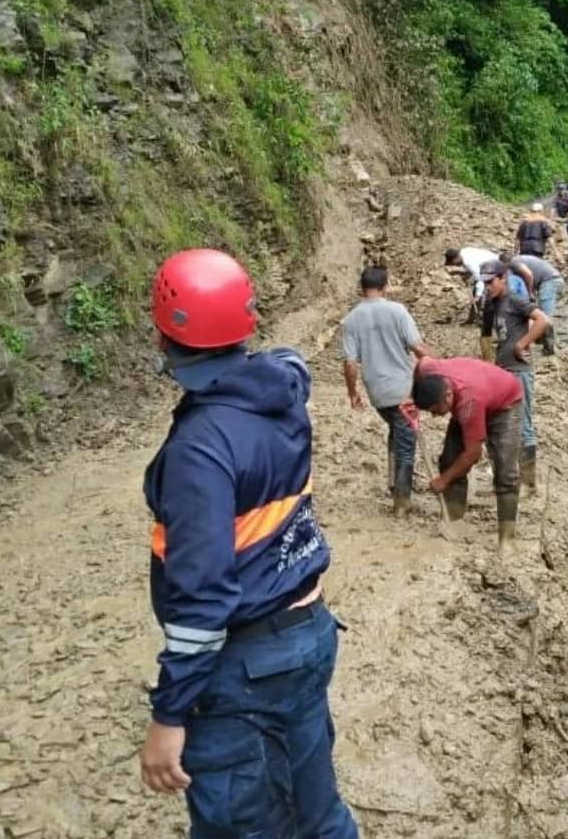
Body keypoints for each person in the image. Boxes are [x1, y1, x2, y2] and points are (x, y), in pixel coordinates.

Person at [140, 249, 358, 839]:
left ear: (165, 339)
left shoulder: (199, 450)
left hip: (245, 665)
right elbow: (291, 362)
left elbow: (202, 598)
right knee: (320, 815)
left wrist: (169, 715)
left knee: (242, 828)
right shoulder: (283, 389)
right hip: (309, 633)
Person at [342, 265, 430, 517]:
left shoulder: (351, 319)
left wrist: (352, 393)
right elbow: (417, 348)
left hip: (377, 393)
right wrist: (441, 368)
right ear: (385, 286)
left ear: (362, 288)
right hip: (403, 390)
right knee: (406, 443)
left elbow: (349, 363)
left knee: (396, 431)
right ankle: (402, 501)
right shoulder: (397, 311)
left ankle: (394, 483)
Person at [412, 356, 523, 554]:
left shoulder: (468, 404)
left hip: (505, 404)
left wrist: (443, 480)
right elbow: (422, 362)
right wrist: (410, 398)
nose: (435, 415)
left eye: (436, 410)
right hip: (480, 390)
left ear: (447, 396)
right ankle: (454, 517)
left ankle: (507, 539)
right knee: (449, 459)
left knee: (506, 473)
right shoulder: (430, 369)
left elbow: (473, 454)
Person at [479, 262, 549, 490]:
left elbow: (543, 320)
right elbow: (486, 335)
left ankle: (529, 484)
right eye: (485, 282)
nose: (488, 286)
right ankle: (506, 480)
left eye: (491, 281)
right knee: (499, 426)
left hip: (519, 371)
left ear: (503, 278)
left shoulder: (515, 300)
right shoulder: (491, 304)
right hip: (502, 372)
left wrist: (522, 344)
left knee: (523, 425)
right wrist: (488, 364)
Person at [509, 254, 565, 355]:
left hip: (550, 281)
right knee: (540, 313)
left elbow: (528, 274)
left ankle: (550, 347)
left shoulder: (513, 263)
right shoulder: (518, 260)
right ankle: (540, 339)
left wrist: (530, 292)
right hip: (552, 279)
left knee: (544, 316)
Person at [445, 245, 498, 323]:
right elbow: (474, 269)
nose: (454, 265)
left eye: (453, 263)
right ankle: (473, 318)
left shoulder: (468, 262)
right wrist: (462, 273)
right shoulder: (463, 253)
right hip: (488, 268)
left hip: (495, 268)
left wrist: (477, 296)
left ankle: (489, 319)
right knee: (478, 291)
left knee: (487, 292)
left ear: (456, 258)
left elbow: (480, 279)